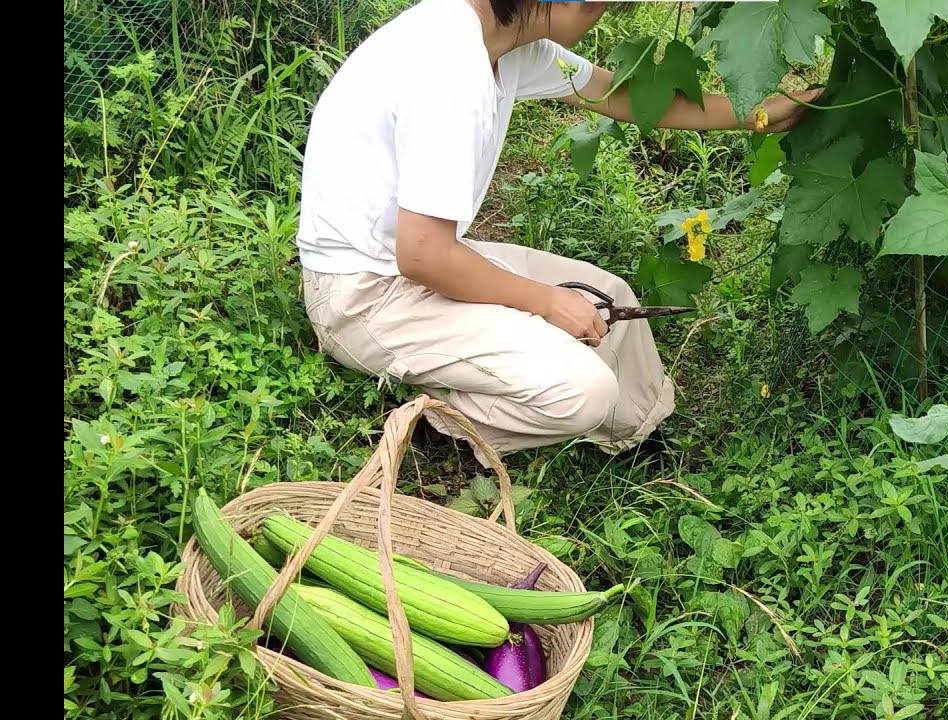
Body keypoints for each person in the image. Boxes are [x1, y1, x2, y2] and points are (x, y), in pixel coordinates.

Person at [295, 0, 819, 467]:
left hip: (413, 259)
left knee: (609, 297)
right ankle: (447, 421)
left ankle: (637, 440)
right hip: (364, 294)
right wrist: (545, 302)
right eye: (602, 6)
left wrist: (758, 113)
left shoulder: (507, 44)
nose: (604, 15)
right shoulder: (450, 66)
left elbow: (624, 97)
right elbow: (425, 254)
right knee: (582, 390)